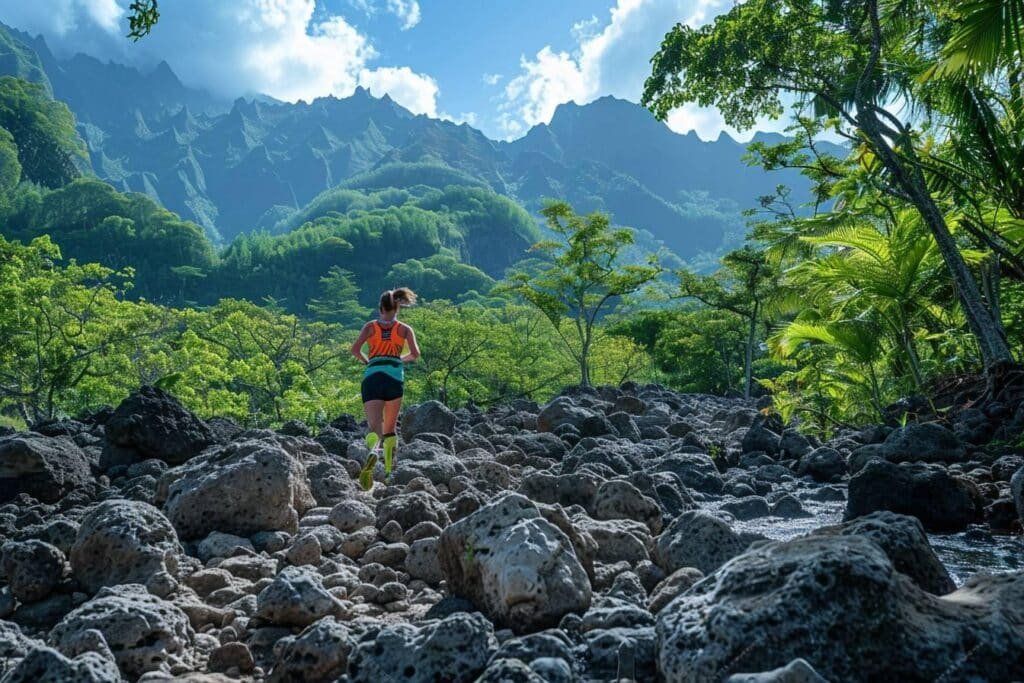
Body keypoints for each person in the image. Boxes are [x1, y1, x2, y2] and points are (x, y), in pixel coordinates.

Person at [350, 287, 420, 489]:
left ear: (380, 307)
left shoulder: (370, 327)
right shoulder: (405, 329)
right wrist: (398, 359)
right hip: (394, 378)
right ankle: (389, 473)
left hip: (372, 376)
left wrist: (368, 362)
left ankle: (373, 452)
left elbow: (355, 349)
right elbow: (415, 354)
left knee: (374, 427)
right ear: (397, 308)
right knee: (390, 429)